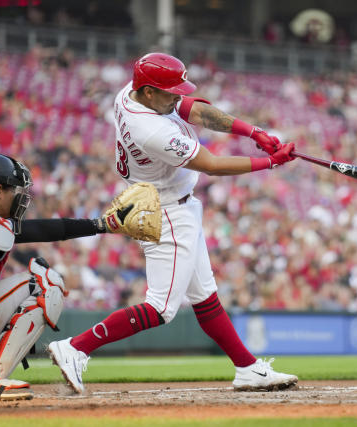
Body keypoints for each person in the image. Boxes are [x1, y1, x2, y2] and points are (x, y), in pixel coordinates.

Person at [48, 52, 298, 393]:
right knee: (161, 308)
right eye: (170, 91)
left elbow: (191, 108)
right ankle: (75, 347)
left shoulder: (132, 92)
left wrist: (251, 131)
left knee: (205, 296)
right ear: (149, 92)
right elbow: (211, 165)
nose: (177, 96)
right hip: (165, 210)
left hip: (170, 202)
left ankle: (247, 368)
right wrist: (268, 162)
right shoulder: (150, 130)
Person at [0, 152, 134, 401]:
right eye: (12, 189)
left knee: (41, 284)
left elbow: (45, 229)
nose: (18, 195)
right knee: (43, 282)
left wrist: (101, 225)